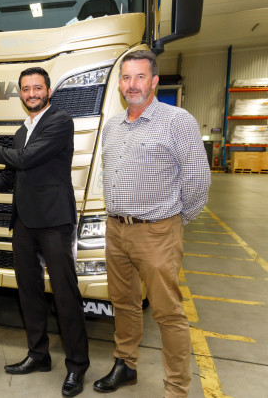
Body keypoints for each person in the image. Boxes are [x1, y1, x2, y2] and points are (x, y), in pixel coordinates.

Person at [94, 50, 210, 398]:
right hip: (116, 229)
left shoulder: (177, 121)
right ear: (119, 84)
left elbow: (198, 180)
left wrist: (175, 220)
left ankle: (176, 388)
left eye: (140, 77)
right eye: (126, 77)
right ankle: (125, 365)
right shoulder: (113, 126)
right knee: (123, 302)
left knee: (168, 313)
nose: (132, 85)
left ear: (154, 81)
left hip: (157, 231)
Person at [0, 67, 89, 397]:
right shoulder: (23, 130)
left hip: (54, 222)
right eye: (26, 88)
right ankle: (38, 355)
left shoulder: (60, 121)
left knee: (65, 294)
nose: (31, 93)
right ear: (20, 93)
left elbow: (26, 159)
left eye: (37, 87)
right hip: (24, 222)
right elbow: (10, 177)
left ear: (48, 91)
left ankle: (77, 365)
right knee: (28, 292)